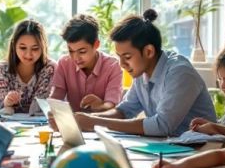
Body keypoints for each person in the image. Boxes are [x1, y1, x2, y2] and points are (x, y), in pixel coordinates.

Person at [71, 9, 215, 137]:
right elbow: (124, 111)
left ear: (148, 51)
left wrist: (94, 122)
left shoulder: (180, 73)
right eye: (119, 57)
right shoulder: (142, 73)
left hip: (199, 149)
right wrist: (85, 118)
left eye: (127, 57)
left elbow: (162, 126)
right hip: (170, 148)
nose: (122, 64)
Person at [49, 14, 123, 112]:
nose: (75, 57)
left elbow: (112, 106)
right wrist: (53, 111)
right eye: (70, 51)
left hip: (101, 125)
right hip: (72, 125)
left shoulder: (112, 66)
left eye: (82, 51)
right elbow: (56, 97)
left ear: (96, 44)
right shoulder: (64, 63)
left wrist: (100, 105)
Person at [0, 19, 55, 115]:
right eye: (23, 48)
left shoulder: (49, 68)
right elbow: (0, 109)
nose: (28, 54)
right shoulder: (2, 68)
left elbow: (40, 109)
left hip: (40, 125)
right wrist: (7, 102)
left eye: (35, 48)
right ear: (14, 46)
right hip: (10, 125)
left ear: (43, 47)